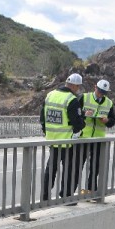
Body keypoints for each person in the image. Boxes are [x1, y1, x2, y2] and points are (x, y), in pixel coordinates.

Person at [40, 73, 85, 201]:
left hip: (53, 139)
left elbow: (42, 118)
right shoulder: (71, 99)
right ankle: (66, 196)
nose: (78, 89)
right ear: (75, 86)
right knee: (69, 170)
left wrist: (46, 131)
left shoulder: (50, 95)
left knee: (51, 168)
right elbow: (77, 122)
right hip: (67, 141)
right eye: (78, 87)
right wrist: (83, 122)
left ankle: (45, 196)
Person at [80, 79, 115, 193]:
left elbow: (112, 121)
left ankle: (91, 190)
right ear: (95, 87)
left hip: (98, 139)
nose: (101, 94)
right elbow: (74, 114)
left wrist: (107, 121)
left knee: (95, 167)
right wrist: (84, 114)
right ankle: (70, 192)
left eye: (103, 92)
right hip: (83, 138)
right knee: (77, 166)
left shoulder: (109, 103)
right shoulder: (84, 97)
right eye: (99, 91)